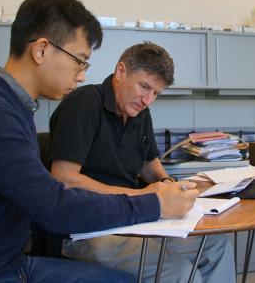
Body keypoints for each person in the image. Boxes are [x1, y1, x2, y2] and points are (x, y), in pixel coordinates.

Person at [0, 0, 199, 283]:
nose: (81, 75)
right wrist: (153, 203)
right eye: (79, 61)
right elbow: (53, 208)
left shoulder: (13, 108)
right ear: (41, 50)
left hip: (9, 264)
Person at [49, 42, 236, 283]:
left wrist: (169, 185)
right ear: (120, 71)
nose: (148, 100)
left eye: (156, 93)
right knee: (181, 274)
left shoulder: (140, 113)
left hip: (134, 221)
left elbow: (148, 165)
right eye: (144, 86)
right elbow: (63, 179)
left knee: (216, 246)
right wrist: (142, 197)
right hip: (87, 229)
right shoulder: (83, 104)